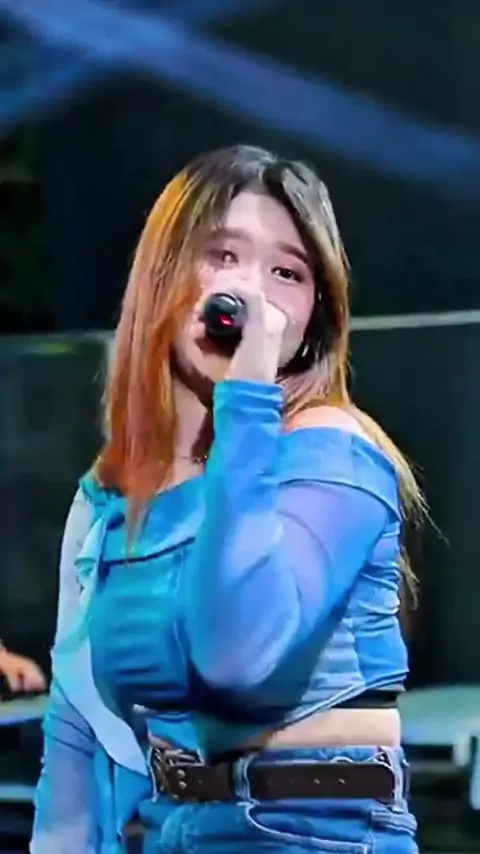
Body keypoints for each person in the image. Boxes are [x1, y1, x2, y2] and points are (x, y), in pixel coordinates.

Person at [31, 145, 424, 853]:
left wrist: (247, 394)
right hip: (173, 833)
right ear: (164, 274)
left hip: (313, 836)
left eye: (287, 273)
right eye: (223, 256)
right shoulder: (114, 497)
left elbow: (237, 655)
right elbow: (76, 739)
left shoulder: (332, 451)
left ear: (313, 315)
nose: (252, 291)